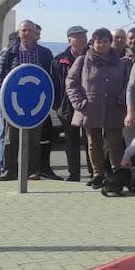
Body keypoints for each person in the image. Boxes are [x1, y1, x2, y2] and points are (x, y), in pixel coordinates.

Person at [66, 28, 131, 191]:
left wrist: (122, 98)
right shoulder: (82, 60)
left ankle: (116, 173)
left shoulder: (121, 62)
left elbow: (129, 84)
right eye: (98, 41)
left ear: (111, 43)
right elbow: (71, 82)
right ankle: (98, 174)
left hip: (114, 108)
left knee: (115, 142)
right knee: (93, 143)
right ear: (92, 43)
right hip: (90, 108)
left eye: (105, 41)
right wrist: (80, 103)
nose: (102, 44)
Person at [0, 20, 55, 181]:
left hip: (36, 103)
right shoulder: (9, 52)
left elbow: (50, 78)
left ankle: (32, 171)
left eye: (29, 30)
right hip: (13, 103)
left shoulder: (45, 53)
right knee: (10, 140)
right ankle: (9, 170)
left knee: (35, 140)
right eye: (23, 30)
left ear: (36, 34)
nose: (26, 33)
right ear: (19, 32)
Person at [51, 26, 90, 182]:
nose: (82, 39)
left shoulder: (92, 57)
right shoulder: (59, 60)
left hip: (89, 106)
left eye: (84, 36)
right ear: (70, 40)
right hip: (67, 107)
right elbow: (54, 84)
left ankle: (94, 172)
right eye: (78, 36)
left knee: (90, 140)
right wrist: (57, 106)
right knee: (71, 141)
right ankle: (74, 174)